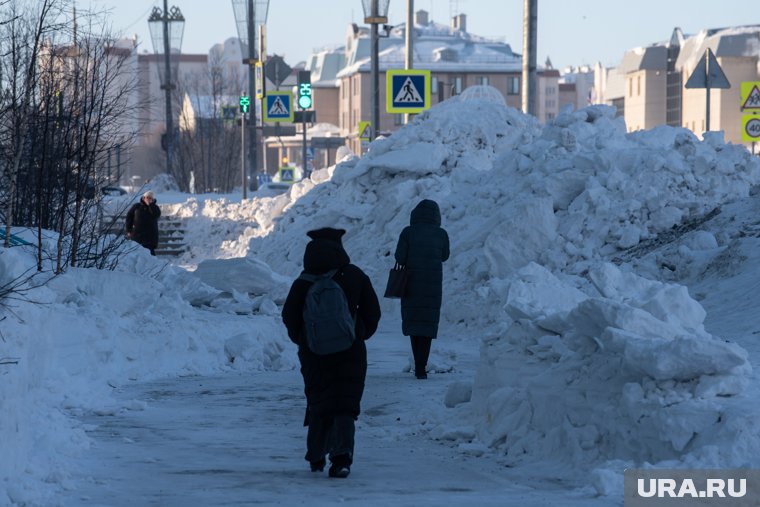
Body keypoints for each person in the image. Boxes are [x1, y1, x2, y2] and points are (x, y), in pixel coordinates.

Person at [282, 227, 381, 478]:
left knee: (319, 403)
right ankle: (341, 459)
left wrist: (304, 340)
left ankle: (316, 456)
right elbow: (373, 312)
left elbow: (289, 316)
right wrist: (358, 333)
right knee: (344, 405)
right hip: (351, 350)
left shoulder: (302, 281)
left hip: (313, 353)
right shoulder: (355, 275)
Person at [394, 199, 450, 379]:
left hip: (411, 283)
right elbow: (445, 256)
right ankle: (421, 366)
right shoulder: (441, 234)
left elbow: (400, 258)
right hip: (433, 285)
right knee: (427, 324)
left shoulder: (408, 232)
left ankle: (418, 365)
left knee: (415, 323)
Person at [125, 191, 161, 255]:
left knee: (150, 257)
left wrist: (151, 205)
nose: (148, 199)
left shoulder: (155, 208)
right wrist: (128, 230)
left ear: (153, 199)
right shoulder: (136, 206)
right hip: (137, 236)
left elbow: (156, 215)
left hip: (150, 237)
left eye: (150, 198)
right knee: (136, 256)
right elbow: (129, 217)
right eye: (147, 197)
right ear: (143, 198)